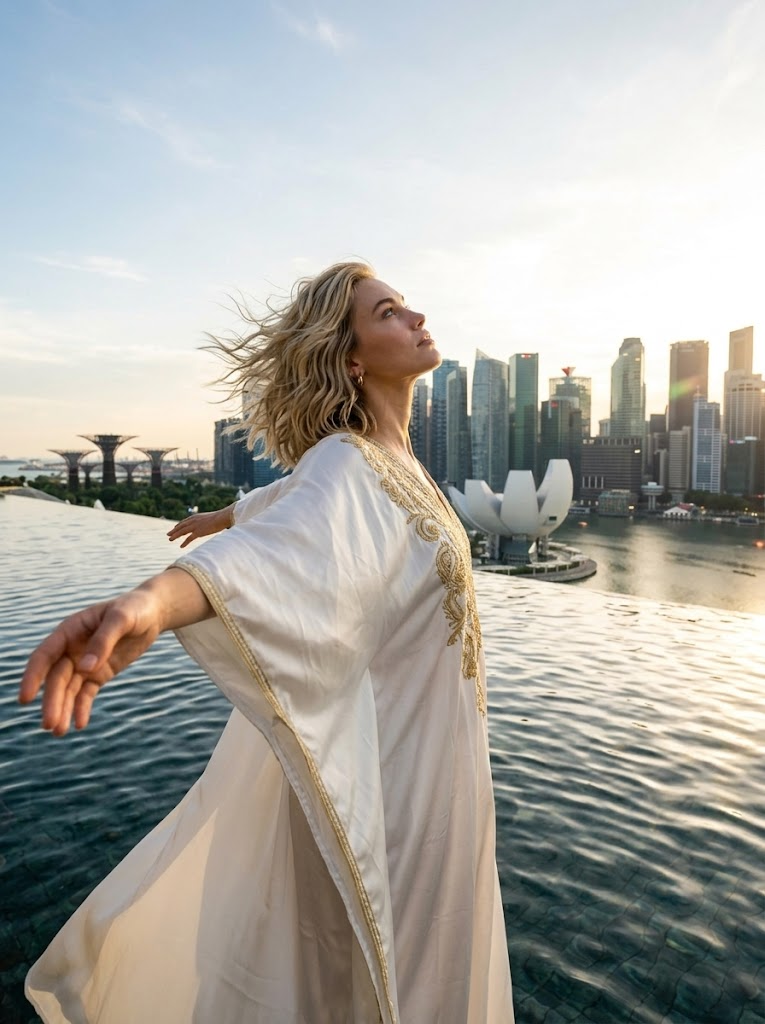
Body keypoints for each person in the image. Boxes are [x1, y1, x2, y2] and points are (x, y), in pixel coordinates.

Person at [19, 261, 514, 1023]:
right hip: (402, 790)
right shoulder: (349, 462)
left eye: (407, 306)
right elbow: (294, 546)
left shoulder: (395, 462)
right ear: (352, 357)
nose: (415, 319)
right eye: (388, 313)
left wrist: (236, 509)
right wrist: (154, 601)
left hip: (441, 772)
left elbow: (300, 509)